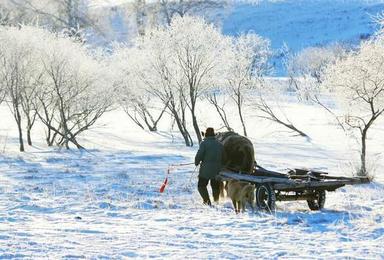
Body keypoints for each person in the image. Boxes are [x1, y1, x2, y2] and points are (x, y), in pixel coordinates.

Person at [195, 127, 224, 206]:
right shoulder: (220, 144)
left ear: (206, 134)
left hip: (206, 170)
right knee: (215, 186)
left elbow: (200, 154)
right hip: (217, 169)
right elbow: (223, 157)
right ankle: (216, 201)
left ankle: (207, 201)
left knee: (201, 185)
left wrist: (196, 162)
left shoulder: (204, 143)